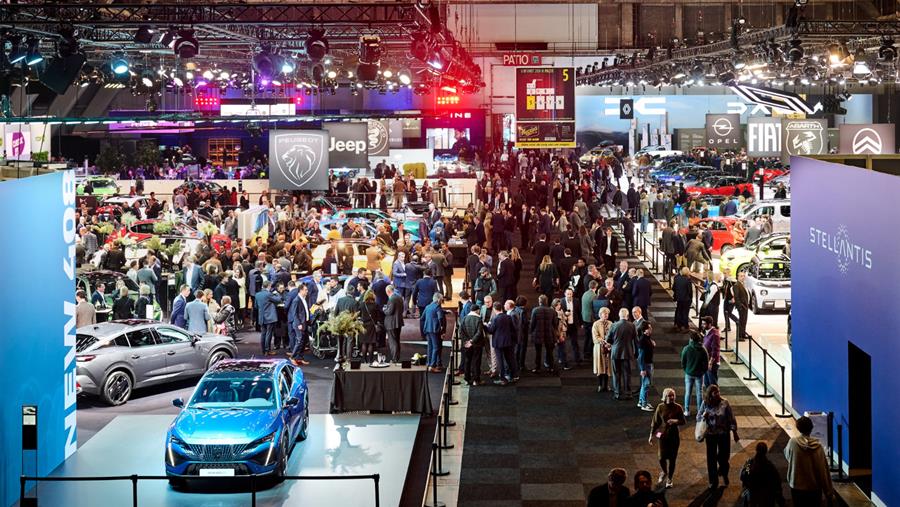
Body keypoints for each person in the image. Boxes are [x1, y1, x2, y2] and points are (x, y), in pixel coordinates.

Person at [784, 415, 834, 506]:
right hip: (813, 487)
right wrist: (828, 492)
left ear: (798, 428)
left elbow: (787, 455)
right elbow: (823, 470)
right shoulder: (818, 447)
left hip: (796, 485)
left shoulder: (792, 443)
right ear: (811, 428)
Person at [697, 384, 740, 490]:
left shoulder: (725, 403)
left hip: (723, 434)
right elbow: (698, 416)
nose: (718, 394)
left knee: (724, 457)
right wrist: (703, 416)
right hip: (711, 434)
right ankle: (713, 481)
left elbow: (731, 418)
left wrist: (734, 432)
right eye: (715, 393)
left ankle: (724, 473)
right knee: (711, 458)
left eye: (718, 392)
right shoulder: (705, 403)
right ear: (710, 394)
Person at [649, 387, 686, 489]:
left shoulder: (678, 407)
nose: (671, 397)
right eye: (669, 395)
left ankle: (670, 478)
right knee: (661, 457)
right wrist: (651, 435)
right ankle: (664, 472)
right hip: (661, 435)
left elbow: (683, 421)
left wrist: (675, 421)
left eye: (673, 395)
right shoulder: (660, 407)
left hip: (674, 436)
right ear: (665, 397)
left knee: (672, 459)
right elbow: (655, 422)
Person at [740, 441, 786, 507]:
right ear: (766, 451)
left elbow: (744, 476)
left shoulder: (749, 463)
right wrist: (779, 498)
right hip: (766, 498)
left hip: (753, 497)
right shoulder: (770, 466)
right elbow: (777, 482)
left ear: (756, 450)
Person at [605, 307, 636, 400]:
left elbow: (608, 340)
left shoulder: (614, 325)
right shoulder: (632, 325)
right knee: (627, 373)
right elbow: (635, 339)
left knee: (616, 373)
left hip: (616, 353)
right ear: (627, 315)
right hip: (627, 352)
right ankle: (628, 393)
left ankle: (617, 393)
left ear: (619, 315)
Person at [486, 300, 518, 385]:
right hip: (508, 342)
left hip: (498, 343)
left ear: (494, 309)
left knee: (500, 361)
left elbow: (491, 330)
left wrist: (486, 326)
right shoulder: (508, 316)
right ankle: (512, 376)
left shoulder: (495, 318)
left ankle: (503, 379)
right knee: (508, 359)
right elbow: (513, 329)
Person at [680, 331, 709, 416]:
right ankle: (699, 411)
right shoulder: (703, 350)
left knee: (688, 392)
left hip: (689, 373)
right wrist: (702, 372)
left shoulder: (687, 348)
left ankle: (686, 410)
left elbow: (683, 361)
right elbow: (706, 364)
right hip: (699, 375)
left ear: (691, 339)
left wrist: (686, 370)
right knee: (699, 393)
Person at [529, 294, 558, 374]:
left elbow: (532, 323)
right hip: (549, 333)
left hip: (538, 333)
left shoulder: (535, 310)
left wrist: (531, 331)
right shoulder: (552, 311)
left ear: (539, 301)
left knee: (538, 352)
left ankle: (537, 367)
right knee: (549, 351)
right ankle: (551, 367)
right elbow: (555, 323)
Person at [458, 303, 485, 385]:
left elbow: (461, 332)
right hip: (477, 344)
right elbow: (479, 332)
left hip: (466, 344)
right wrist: (472, 341)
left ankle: (467, 379)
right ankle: (476, 380)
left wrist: (467, 341)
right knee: (476, 361)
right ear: (477, 310)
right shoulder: (478, 319)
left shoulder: (464, 318)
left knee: (467, 361)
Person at [255, 281, 283, 356]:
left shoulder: (257, 294)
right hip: (269, 317)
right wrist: (276, 293)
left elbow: (256, 306)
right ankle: (267, 350)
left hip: (261, 317)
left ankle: (263, 350)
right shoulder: (268, 294)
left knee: (263, 333)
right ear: (269, 286)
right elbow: (278, 300)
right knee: (269, 333)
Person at [289, 284, 311, 366]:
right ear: (301, 290)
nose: (307, 291)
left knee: (303, 341)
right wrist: (298, 324)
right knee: (299, 341)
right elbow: (294, 314)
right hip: (299, 324)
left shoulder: (304, 299)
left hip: (305, 323)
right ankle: (292, 357)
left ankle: (300, 358)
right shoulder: (296, 300)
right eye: (305, 290)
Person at [422, 293, 445, 372]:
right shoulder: (438, 307)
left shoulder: (428, 306)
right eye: (442, 300)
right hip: (435, 330)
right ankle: (432, 366)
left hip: (427, 329)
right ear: (438, 300)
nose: (442, 301)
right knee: (436, 347)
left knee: (430, 347)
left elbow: (422, 317)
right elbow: (440, 318)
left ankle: (429, 363)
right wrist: (442, 328)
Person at [592, 307, 613, 392]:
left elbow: (613, 335)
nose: (606, 315)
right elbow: (595, 337)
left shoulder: (611, 323)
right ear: (600, 315)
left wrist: (609, 343)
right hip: (599, 348)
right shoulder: (596, 324)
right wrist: (604, 342)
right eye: (604, 314)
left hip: (608, 348)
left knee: (608, 367)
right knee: (600, 366)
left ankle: (607, 385)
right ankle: (600, 385)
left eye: (607, 314)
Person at [636, 322, 655, 412]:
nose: (651, 329)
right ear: (645, 331)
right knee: (646, 384)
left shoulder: (647, 338)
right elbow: (640, 357)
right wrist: (642, 369)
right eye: (649, 328)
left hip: (647, 363)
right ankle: (644, 403)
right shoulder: (643, 341)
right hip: (646, 365)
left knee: (644, 384)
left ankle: (641, 401)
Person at [382, 284, 404, 363]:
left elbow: (389, 312)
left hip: (391, 323)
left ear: (388, 291)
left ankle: (394, 359)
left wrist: (384, 309)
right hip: (399, 322)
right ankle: (397, 357)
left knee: (392, 341)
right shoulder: (399, 297)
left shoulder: (392, 299)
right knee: (397, 340)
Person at [358, 290, 380, 364]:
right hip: (372, 325)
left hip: (363, 325)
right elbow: (378, 316)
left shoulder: (362, 304)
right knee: (371, 343)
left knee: (364, 343)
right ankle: (370, 360)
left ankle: (364, 360)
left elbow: (358, 315)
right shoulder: (375, 305)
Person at [701, 316, 721, 388]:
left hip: (712, 363)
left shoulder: (714, 334)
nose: (702, 325)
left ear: (709, 324)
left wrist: (710, 362)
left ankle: (715, 398)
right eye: (702, 324)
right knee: (707, 383)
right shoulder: (708, 332)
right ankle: (709, 398)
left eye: (704, 324)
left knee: (713, 384)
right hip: (707, 361)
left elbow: (715, 350)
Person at [672, 267, 693, 332]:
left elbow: (673, 288)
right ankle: (685, 326)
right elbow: (690, 291)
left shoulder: (677, 279)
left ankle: (678, 325)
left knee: (679, 311)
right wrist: (690, 298)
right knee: (685, 313)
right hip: (686, 299)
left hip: (679, 298)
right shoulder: (688, 280)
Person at [733, 271, 751, 340]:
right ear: (738, 277)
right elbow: (736, 297)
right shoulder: (736, 285)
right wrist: (740, 306)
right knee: (741, 321)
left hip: (745, 306)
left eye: (743, 276)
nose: (743, 277)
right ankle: (739, 336)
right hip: (742, 306)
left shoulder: (743, 284)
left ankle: (743, 334)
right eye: (741, 276)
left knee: (744, 321)